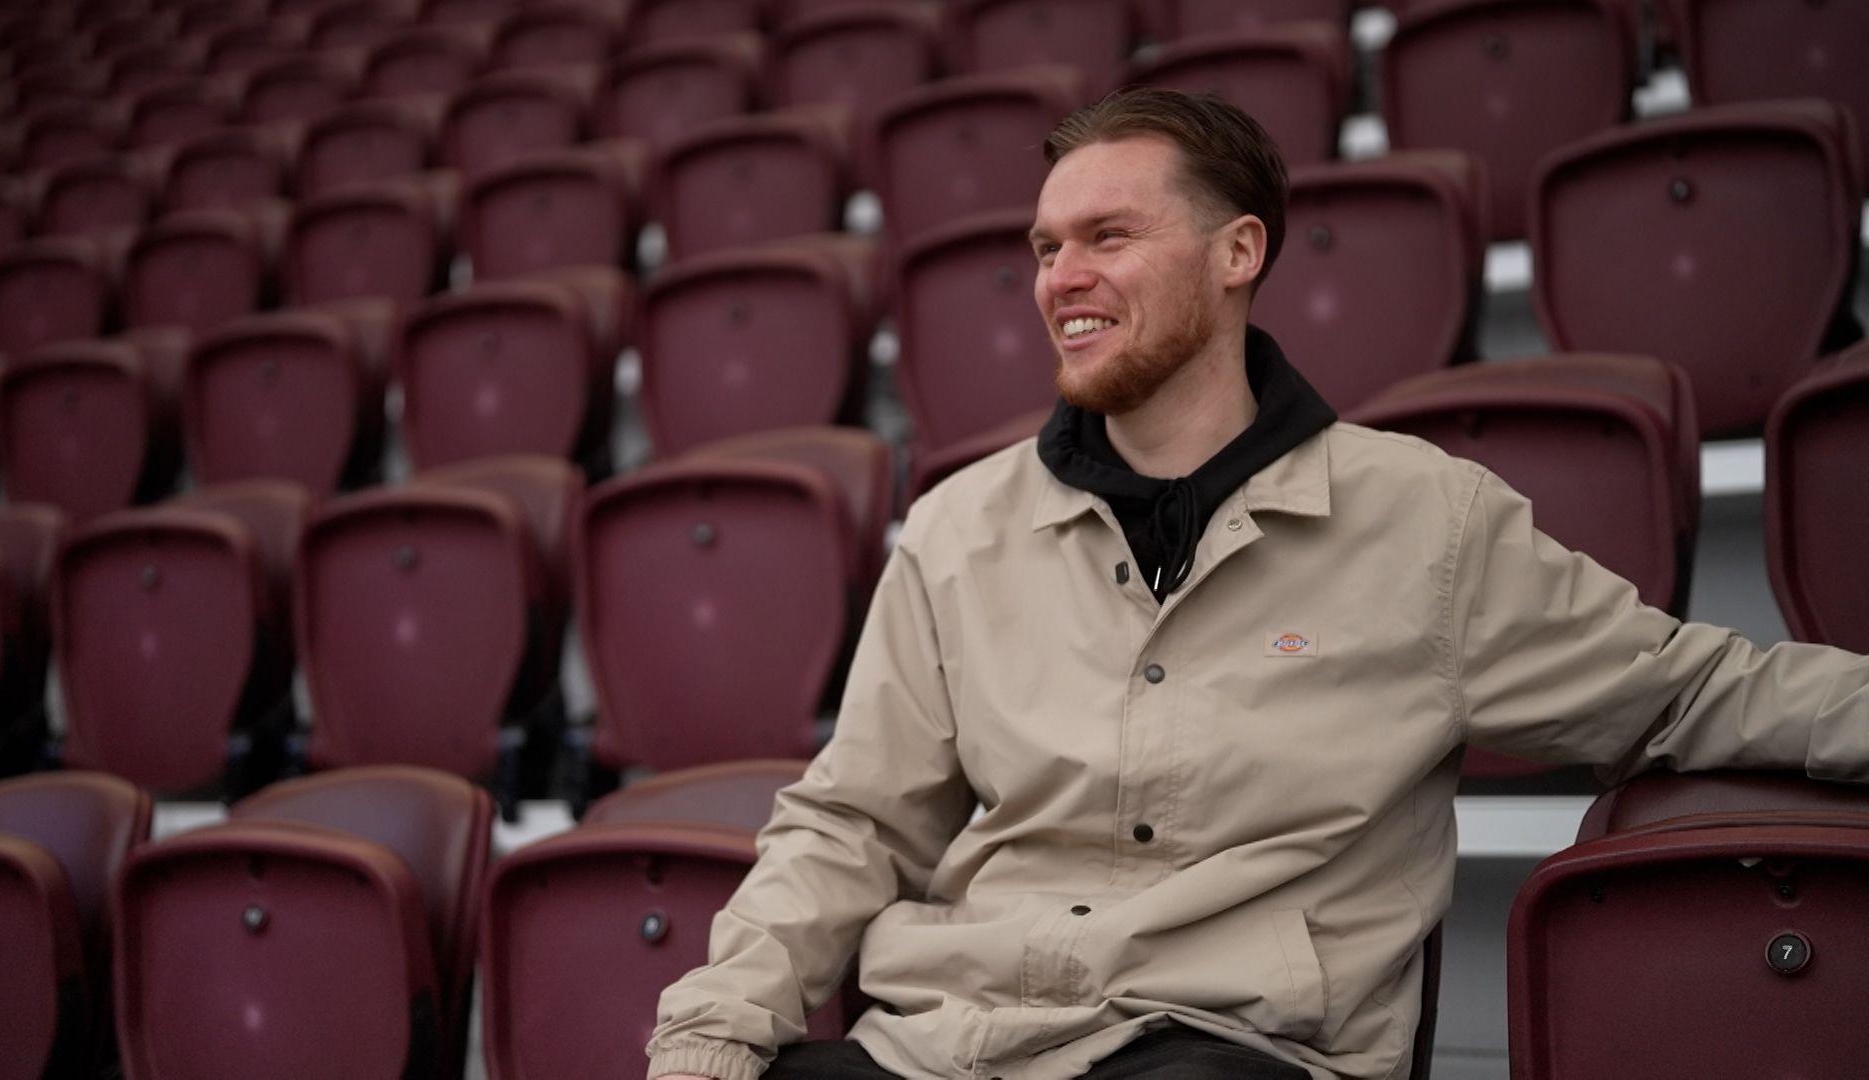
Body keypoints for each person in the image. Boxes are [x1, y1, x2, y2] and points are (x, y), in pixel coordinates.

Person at [649, 88, 1869, 1080]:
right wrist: (717, 1023)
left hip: (1229, 1044)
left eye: (1107, 237)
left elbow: (1685, 692)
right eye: (1044, 246)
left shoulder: (1421, 520)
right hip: (945, 1043)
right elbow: (853, 820)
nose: (1059, 276)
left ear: (1240, 253)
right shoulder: (959, 527)